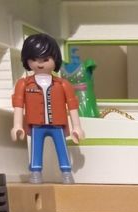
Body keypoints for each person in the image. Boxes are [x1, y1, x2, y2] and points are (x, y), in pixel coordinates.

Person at [11, 33, 85, 183]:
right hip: (36, 125)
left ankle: (66, 173)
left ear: (54, 59)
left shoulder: (63, 84)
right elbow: (18, 105)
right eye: (34, 59)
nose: (40, 64)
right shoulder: (24, 84)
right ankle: (35, 173)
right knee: (36, 149)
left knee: (62, 148)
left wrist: (77, 126)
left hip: (57, 124)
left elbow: (72, 105)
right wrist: (17, 125)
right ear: (27, 60)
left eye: (45, 59)